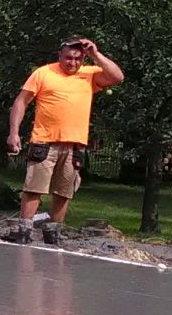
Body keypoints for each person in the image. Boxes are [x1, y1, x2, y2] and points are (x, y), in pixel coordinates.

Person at [6, 36, 123, 242]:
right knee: (34, 187)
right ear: (60, 55)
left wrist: (95, 54)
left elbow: (117, 77)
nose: (72, 63)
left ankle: (53, 232)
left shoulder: (90, 74)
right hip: (45, 141)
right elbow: (21, 101)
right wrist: (14, 132)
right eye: (68, 58)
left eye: (78, 59)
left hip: (74, 145)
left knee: (64, 191)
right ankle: (24, 230)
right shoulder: (44, 73)